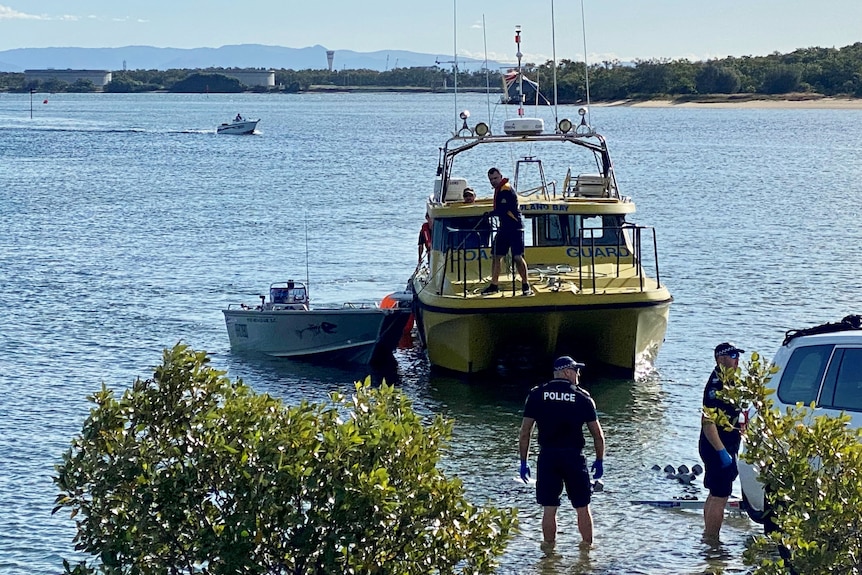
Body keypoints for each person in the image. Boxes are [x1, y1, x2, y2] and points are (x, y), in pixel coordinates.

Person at [519, 356, 606, 546]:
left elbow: (525, 433)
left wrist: (524, 462)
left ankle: (549, 554)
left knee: (549, 508)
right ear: (567, 372)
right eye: (577, 371)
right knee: (582, 507)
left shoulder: (537, 394)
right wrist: (599, 460)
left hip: (548, 456)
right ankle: (587, 552)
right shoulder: (583, 398)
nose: (579, 374)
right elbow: (598, 436)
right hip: (573, 457)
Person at [699, 342, 745, 541]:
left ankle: (707, 537)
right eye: (733, 355)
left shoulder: (730, 381)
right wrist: (721, 452)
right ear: (721, 359)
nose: (737, 359)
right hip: (716, 445)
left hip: (725, 444)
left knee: (714, 494)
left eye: (737, 355)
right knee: (720, 496)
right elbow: (707, 422)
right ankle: (712, 541)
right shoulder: (716, 385)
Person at [482, 167, 532, 295]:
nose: (493, 181)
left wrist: (490, 214)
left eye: (495, 178)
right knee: (496, 255)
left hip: (515, 227)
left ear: (501, 176)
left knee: (517, 257)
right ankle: (494, 284)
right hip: (504, 227)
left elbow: (503, 209)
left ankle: (526, 284)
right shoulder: (499, 189)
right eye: (491, 179)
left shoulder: (506, 189)